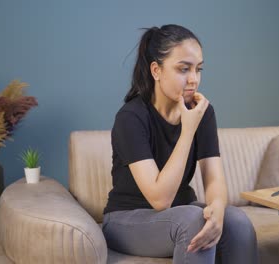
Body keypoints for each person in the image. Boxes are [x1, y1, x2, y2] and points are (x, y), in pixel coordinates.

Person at [102, 24, 258, 264]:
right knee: (193, 221)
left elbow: (214, 177)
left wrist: (217, 208)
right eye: (184, 69)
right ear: (156, 70)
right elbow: (160, 199)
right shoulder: (131, 118)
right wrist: (187, 131)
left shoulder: (203, 112)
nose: (193, 79)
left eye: (198, 69)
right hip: (127, 219)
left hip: (181, 211)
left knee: (237, 222)